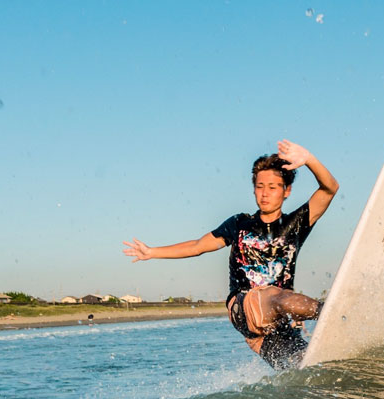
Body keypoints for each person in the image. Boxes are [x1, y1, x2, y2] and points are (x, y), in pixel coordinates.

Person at [123, 140, 339, 368]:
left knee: (308, 366)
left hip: (268, 330)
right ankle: (337, 313)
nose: (265, 194)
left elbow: (329, 188)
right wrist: (153, 252)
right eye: (259, 186)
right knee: (280, 297)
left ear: (287, 191)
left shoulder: (295, 224)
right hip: (244, 307)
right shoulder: (239, 224)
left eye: (273, 187)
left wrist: (309, 160)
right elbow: (198, 246)